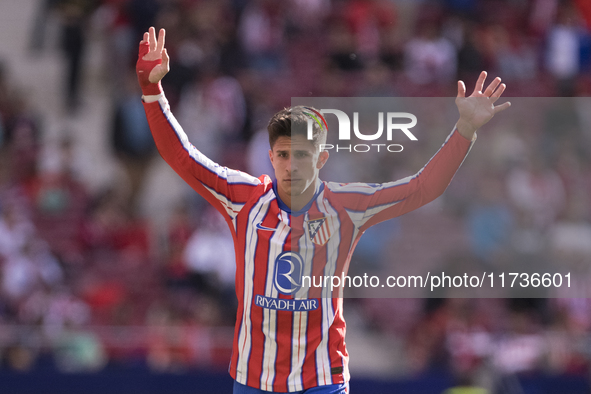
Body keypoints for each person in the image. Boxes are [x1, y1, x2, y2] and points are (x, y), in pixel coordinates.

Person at [136, 27, 510, 394]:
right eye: (283, 155)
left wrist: (464, 128)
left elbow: (423, 188)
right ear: (270, 158)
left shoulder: (347, 207)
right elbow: (182, 157)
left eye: (302, 155)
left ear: (322, 159)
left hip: (321, 382)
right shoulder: (244, 199)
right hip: (253, 380)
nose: (291, 165)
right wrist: (152, 91)